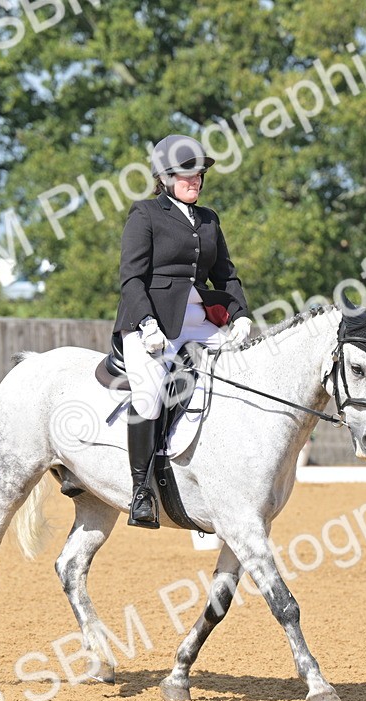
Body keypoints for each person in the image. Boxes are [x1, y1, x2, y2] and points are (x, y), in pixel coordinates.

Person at [112, 134, 253, 528]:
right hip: (152, 322)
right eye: (185, 173)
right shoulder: (145, 214)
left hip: (201, 322)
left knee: (243, 373)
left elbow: (226, 272)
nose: (194, 179)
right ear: (165, 176)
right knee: (151, 391)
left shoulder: (209, 218)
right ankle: (141, 491)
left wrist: (240, 313)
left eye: (199, 173)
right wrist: (146, 323)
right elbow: (131, 279)